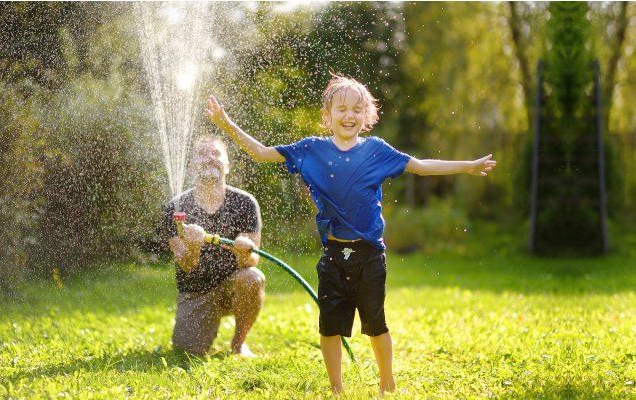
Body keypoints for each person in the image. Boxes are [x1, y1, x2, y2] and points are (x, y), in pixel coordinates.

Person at [205, 73, 497, 395]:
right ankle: (336, 388)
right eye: (341, 109)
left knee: (376, 324)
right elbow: (261, 152)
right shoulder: (310, 150)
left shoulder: (377, 151)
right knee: (330, 327)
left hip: (369, 254)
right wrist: (226, 123)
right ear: (327, 115)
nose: (349, 116)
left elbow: (421, 166)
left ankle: (387, 382)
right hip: (333, 254)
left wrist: (468, 165)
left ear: (367, 116)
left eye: (357, 110)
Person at [159, 135, 265, 358]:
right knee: (187, 352)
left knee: (252, 278)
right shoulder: (176, 208)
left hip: (233, 286)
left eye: (216, 153)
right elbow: (186, 265)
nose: (209, 159)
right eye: (202, 154)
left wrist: (243, 251)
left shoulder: (245, 203)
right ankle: (203, 323)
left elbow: (251, 261)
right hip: (196, 290)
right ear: (191, 167)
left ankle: (239, 344)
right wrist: (194, 246)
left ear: (227, 165)